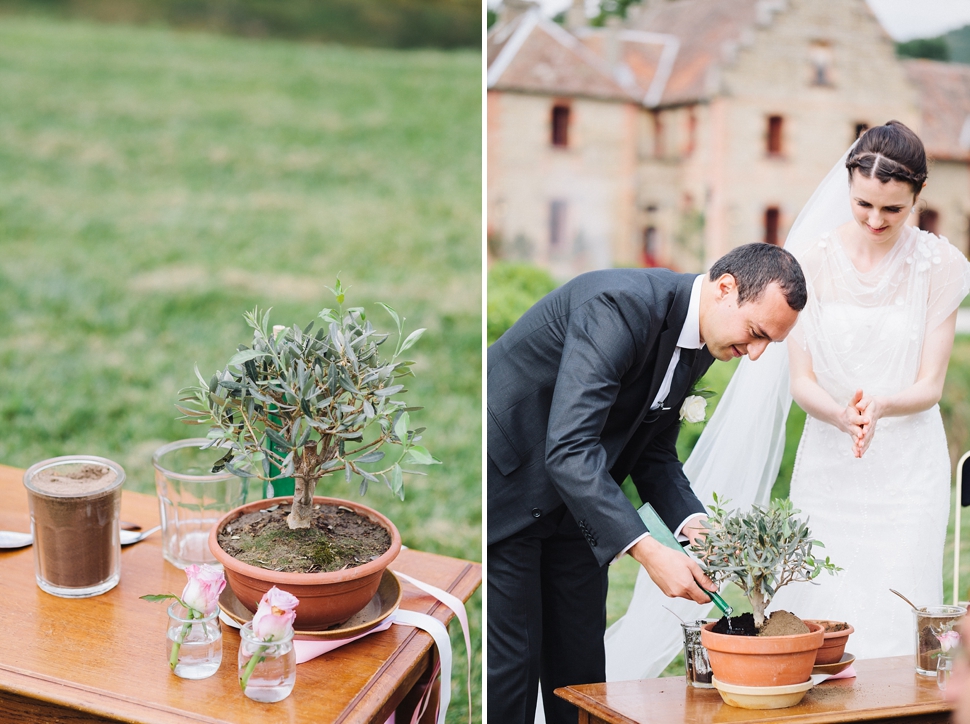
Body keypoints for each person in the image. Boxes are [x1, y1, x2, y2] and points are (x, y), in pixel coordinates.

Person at [606, 120, 970, 677]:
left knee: (900, 604)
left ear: (917, 196)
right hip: (830, 460)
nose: (875, 220)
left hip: (907, 468)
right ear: (847, 188)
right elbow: (802, 381)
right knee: (821, 607)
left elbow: (930, 386)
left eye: (892, 210)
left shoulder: (941, 266)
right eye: (864, 204)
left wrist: (881, 406)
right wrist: (842, 415)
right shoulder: (810, 260)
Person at [487, 243, 807, 724]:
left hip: (584, 502)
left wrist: (696, 526)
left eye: (769, 344)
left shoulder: (702, 342)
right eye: (756, 333)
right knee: (514, 663)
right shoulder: (618, 307)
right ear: (726, 289)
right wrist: (649, 551)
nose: (756, 354)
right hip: (514, 481)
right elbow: (569, 447)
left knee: (581, 669)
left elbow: (652, 450)